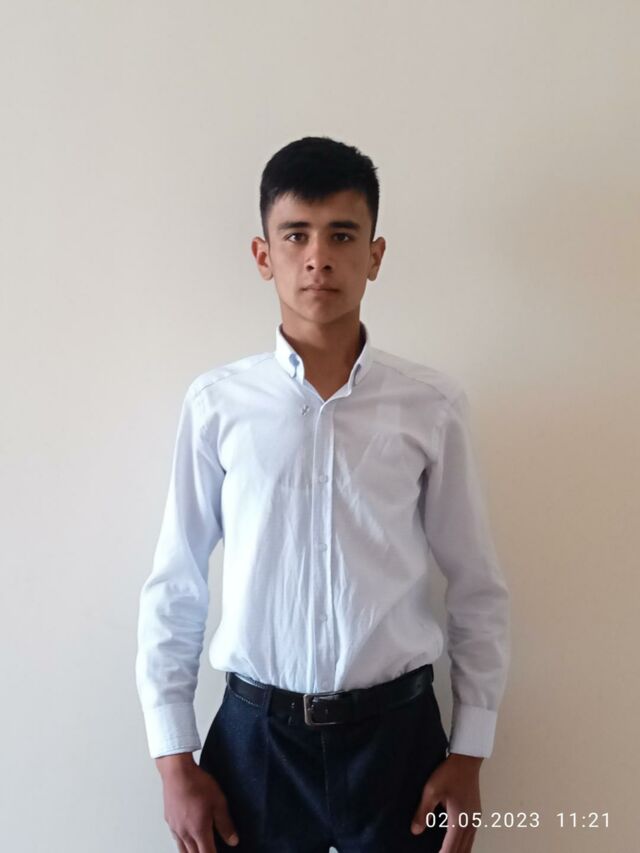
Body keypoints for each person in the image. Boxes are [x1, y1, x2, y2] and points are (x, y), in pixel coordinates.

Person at [135, 135, 510, 853]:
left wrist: (470, 751)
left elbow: (476, 586)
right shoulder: (217, 405)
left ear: (375, 254)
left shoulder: (430, 405)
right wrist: (173, 758)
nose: (318, 258)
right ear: (262, 254)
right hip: (256, 742)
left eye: (342, 235)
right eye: (295, 235)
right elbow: (175, 583)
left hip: (398, 739)